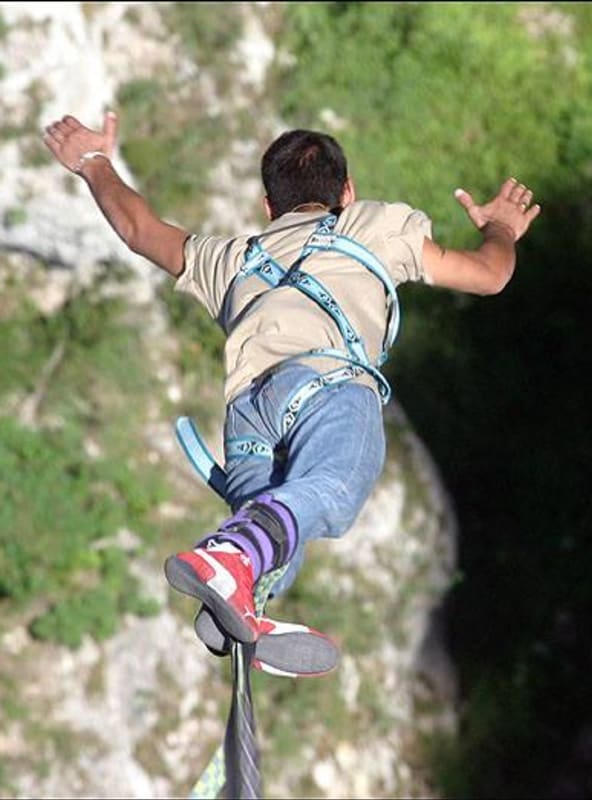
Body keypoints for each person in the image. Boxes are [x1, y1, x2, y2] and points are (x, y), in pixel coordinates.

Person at [43, 110, 541, 657]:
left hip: (248, 415)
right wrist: (502, 227)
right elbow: (490, 274)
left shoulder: (230, 259)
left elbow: (139, 230)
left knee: (281, 527)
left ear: (268, 207)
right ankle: (236, 563)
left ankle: (244, 595)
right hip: (327, 385)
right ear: (346, 191)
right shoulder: (372, 227)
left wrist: (93, 163)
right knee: (336, 488)